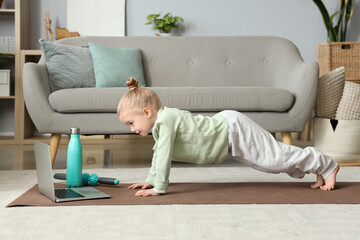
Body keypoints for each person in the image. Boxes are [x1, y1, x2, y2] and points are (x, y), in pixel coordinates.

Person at [117, 78, 340, 197]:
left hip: (232, 130)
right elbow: (158, 154)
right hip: (228, 136)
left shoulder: (165, 121)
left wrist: (160, 188)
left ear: (147, 112)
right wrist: (150, 180)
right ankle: (316, 167)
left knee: (274, 159)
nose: (132, 129)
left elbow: (164, 157)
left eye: (131, 123)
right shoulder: (160, 126)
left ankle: (326, 164)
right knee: (269, 165)